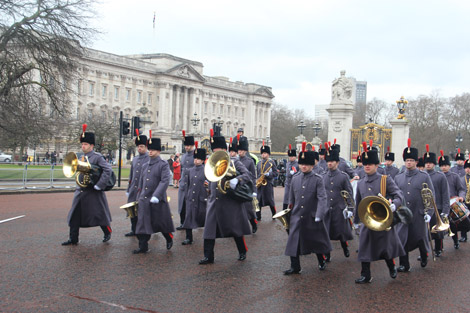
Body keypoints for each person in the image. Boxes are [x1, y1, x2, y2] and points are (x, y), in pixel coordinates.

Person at [353, 142, 405, 283]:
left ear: (376, 165)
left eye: (370, 164)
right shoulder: (361, 183)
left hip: (383, 220)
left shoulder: (385, 179)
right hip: (367, 220)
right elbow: (359, 203)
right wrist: (356, 221)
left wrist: (394, 205)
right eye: (365, 164)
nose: (367, 166)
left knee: (385, 249)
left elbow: (398, 194)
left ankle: (391, 266)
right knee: (364, 247)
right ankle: (366, 274)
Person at [199, 131, 252, 264]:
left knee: (235, 229)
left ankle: (242, 250)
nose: (214, 153)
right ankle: (208, 256)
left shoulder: (234, 162)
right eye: (213, 150)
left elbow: (247, 175)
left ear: (223, 149)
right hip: (214, 200)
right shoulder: (211, 162)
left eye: (217, 150)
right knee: (209, 230)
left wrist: (237, 180)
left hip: (229, 201)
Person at [62, 124, 113, 246]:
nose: (83, 146)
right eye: (82, 144)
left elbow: (108, 171)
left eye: (85, 144)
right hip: (81, 190)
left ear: (91, 146)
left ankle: (107, 231)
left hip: (93, 190)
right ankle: (73, 238)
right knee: (74, 214)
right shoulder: (79, 157)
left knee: (99, 214)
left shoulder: (97, 157)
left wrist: (99, 185)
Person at [283, 149, 332, 275]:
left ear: (312, 165)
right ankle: (295, 266)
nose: (303, 166)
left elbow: (322, 198)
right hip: (297, 215)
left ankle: (321, 260)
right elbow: (291, 198)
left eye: (306, 164)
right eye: (302, 164)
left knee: (316, 241)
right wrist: (289, 212)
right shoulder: (295, 178)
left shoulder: (318, 179)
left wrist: (319, 214)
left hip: (312, 215)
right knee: (293, 241)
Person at [394, 139, 435, 272]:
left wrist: (429, 213)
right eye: (407, 160)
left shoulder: (424, 176)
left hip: (418, 212)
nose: (409, 163)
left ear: (416, 162)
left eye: (411, 160)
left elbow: (430, 195)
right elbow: (395, 194)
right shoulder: (398, 177)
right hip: (403, 214)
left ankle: (424, 254)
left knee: (420, 238)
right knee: (402, 239)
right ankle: (404, 264)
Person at [133, 135, 175, 253]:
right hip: (144, 199)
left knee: (160, 222)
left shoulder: (163, 164)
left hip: (157, 199)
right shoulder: (145, 165)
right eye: (149, 149)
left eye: (153, 150)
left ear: (158, 151)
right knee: (142, 223)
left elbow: (165, 181)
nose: (150, 151)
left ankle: (168, 237)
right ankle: (143, 246)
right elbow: (141, 183)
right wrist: (138, 197)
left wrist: (156, 195)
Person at [323, 144, 354, 261]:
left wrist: (350, 208)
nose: (330, 163)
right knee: (326, 233)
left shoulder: (343, 176)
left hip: (339, 208)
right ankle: (327, 254)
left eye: (332, 161)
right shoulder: (323, 176)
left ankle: (344, 246)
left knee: (341, 233)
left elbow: (349, 193)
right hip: (327, 209)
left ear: (337, 163)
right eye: (328, 161)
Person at [424, 146, 450, 257]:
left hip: (438, 206)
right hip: (425, 208)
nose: (428, 164)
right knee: (425, 232)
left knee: (437, 231)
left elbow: (445, 194)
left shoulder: (440, 176)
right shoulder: (422, 176)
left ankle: (438, 248)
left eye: (430, 163)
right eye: (426, 163)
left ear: (434, 164)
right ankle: (424, 251)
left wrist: (445, 210)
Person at [439, 151, 467, 247]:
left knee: (453, 225)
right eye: (442, 165)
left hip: (452, 203)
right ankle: (439, 247)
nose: (444, 167)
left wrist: (461, 197)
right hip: (440, 204)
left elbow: (461, 189)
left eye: (446, 165)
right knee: (440, 226)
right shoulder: (437, 176)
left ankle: (455, 241)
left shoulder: (455, 176)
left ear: (449, 166)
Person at [182, 144, 208, 245]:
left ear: (202, 160)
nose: (196, 160)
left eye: (198, 159)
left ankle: (208, 236)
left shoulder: (206, 170)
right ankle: (189, 238)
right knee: (188, 218)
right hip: (191, 198)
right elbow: (188, 184)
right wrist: (187, 195)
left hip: (201, 198)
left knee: (203, 217)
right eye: (195, 158)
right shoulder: (190, 171)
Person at [124, 130, 149, 237]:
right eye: (138, 146)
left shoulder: (149, 158)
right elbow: (131, 176)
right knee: (132, 212)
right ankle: (133, 230)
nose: (139, 148)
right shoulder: (135, 159)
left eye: (142, 146)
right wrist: (128, 189)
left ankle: (143, 230)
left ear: (146, 147)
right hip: (134, 189)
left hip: (143, 190)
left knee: (142, 212)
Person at [237, 136, 258, 233]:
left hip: (247, 187)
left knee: (248, 209)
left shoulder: (249, 161)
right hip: (237, 187)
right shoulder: (235, 161)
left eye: (241, 150)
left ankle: (253, 224)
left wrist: (254, 190)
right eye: (239, 150)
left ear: (245, 151)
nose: (239, 152)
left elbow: (253, 177)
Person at [176, 131, 195, 230]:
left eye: (189, 145)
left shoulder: (195, 155)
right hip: (183, 183)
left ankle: (189, 223)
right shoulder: (183, 156)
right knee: (181, 205)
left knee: (189, 206)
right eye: (186, 145)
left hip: (191, 183)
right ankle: (182, 222)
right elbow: (182, 168)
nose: (187, 147)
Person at [256, 142, 277, 220]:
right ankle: (258, 216)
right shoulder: (259, 163)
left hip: (268, 184)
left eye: (265, 153)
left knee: (270, 200)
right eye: (262, 153)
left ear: (268, 154)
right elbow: (257, 173)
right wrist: (257, 181)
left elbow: (275, 173)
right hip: (260, 185)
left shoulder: (271, 162)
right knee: (258, 201)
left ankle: (274, 214)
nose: (263, 155)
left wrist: (269, 174)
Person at [283, 144, 299, 211]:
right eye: (290, 156)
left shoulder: (297, 164)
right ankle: (284, 209)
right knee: (286, 197)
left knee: (293, 198)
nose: (291, 158)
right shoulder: (287, 163)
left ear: (295, 157)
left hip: (294, 183)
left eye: (292, 156)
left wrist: (294, 173)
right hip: (288, 183)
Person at [460, 159, 470, 242]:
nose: (468, 169)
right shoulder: (462, 179)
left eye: (469, 168)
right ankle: (463, 236)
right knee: (464, 220)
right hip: (465, 202)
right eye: (466, 167)